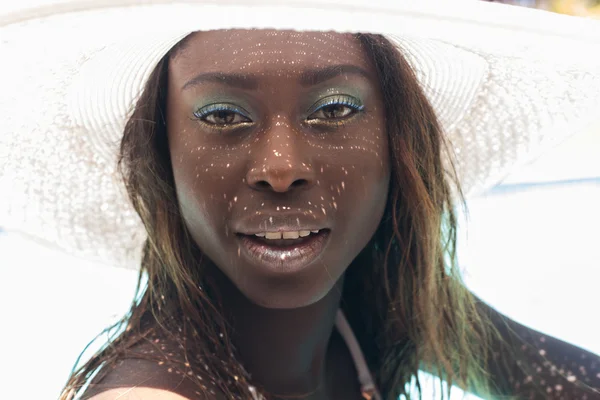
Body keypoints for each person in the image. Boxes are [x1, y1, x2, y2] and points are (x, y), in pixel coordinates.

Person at [1, 2, 599, 400]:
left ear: (398, 143)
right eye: (222, 115)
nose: (280, 169)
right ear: (163, 158)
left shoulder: (381, 306)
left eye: (334, 109)